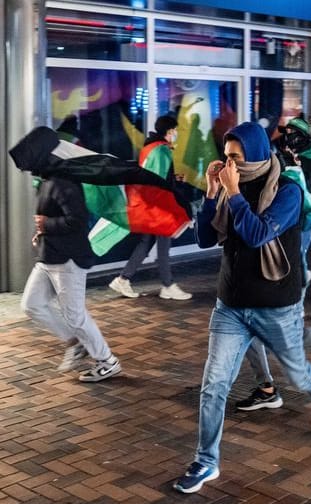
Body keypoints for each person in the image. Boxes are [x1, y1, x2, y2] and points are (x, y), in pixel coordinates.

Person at [174, 122, 311, 494]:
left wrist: (233, 194)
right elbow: (205, 238)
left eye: (236, 157)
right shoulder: (229, 189)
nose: (228, 163)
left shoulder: (288, 191)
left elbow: (256, 234)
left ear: (254, 154)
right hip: (231, 304)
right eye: (226, 156)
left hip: (275, 304)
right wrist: (212, 192)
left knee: (297, 375)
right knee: (214, 385)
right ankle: (206, 462)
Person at [20, 175, 122, 382]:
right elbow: (51, 218)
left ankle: (108, 361)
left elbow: (77, 220)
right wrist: (41, 233)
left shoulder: (63, 182)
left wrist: (47, 224)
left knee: (75, 316)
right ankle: (76, 343)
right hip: (48, 256)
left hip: (68, 260)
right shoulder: (46, 181)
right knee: (32, 304)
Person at [108, 115, 192, 300]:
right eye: (175, 130)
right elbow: (159, 183)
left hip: (149, 204)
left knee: (146, 243)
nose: (176, 134)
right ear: (169, 131)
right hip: (159, 206)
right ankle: (167, 285)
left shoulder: (149, 148)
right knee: (163, 245)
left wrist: (173, 178)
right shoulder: (161, 151)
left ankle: (123, 279)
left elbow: (154, 176)